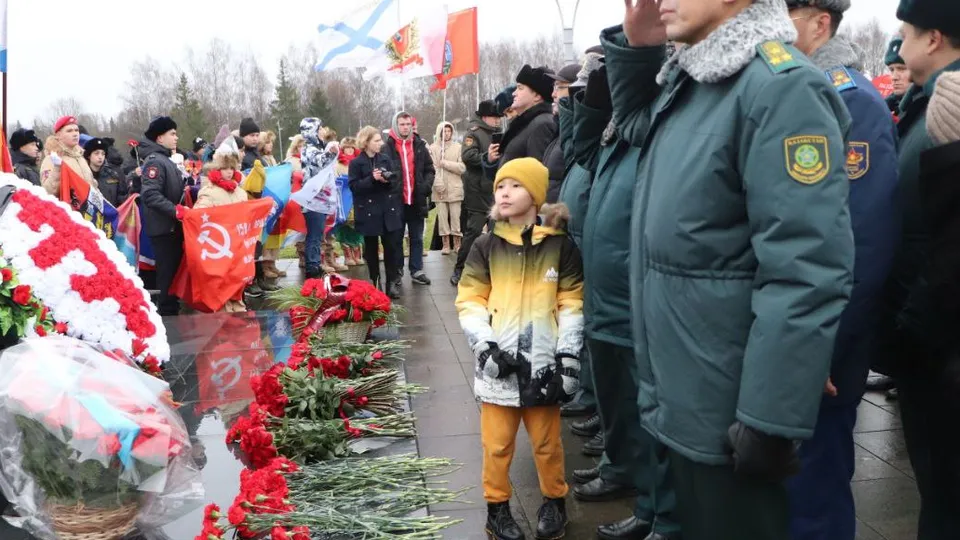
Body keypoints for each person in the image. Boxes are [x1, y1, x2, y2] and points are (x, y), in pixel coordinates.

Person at [616, 1, 855, 539]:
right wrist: (639, 50)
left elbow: (806, 266)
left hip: (729, 411)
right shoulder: (696, 82)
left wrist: (769, 420)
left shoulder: (780, 88)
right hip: (686, 392)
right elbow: (630, 126)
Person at [784, 2, 901, 539]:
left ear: (819, 22)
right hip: (792, 338)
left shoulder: (850, 99)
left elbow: (862, 241)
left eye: (785, 11)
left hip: (824, 345)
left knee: (815, 491)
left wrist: (820, 349)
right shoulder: (791, 90)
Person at [569, 56, 679, 540]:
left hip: (635, 296)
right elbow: (584, 153)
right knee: (617, 401)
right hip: (607, 292)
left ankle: (659, 511)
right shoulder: (618, 130)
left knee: (648, 415)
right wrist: (589, 104)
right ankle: (626, 475)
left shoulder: (657, 121)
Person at [456, 157, 583, 540]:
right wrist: (485, 348)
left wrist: (568, 359)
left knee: (547, 444)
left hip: (544, 366)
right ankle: (497, 510)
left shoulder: (560, 247)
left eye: (515, 185)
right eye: (500, 186)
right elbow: (470, 300)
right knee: (496, 446)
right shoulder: (485, 246)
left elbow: (572, 305)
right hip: (499, 366)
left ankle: (554, 501)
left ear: (537, 194)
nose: (504, 193)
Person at [874, 2, 960, 536]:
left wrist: (914, 329)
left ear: (933, 38)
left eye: (906, 33)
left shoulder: (953, 105)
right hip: (925, 342)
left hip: (940, 347)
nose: (900, 45)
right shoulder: (929, 100)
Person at [558, 48, 604, 421]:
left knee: (595, 325)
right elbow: (573, 148)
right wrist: (570, 108)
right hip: (577, 233)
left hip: (592, 237)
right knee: (583, 320)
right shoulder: (587, 133)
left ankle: (596, 401)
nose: (572, 94)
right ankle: (589, 395)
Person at [193, 137, 250, 312]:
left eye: (232, 168)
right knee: (223, 283)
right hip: (220, 246)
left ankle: (238, 308)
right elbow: (198, 215)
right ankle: (224, 312)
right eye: (225, 168)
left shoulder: (240, 192)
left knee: (237, 281)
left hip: (237, 245)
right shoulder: (209, 192)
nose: (229, 172)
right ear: (217, 169)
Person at [451, 100, 502, 286]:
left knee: (497, 232)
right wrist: (486, 157)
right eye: (494, 117)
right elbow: (467, 156)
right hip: (478, 191)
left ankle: (492, 270)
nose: (497, 120)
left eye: (499, 117)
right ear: (485, 117)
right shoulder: (473, 133)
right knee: (473, 232)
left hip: (495, 190)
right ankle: (459, 268)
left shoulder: (498, 133)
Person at [381, 111, 435, 287]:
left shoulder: (419, 145)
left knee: (417, 237)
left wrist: (426, 186)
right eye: (402, 124)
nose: (405, 127)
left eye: (408, 124)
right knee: (396, 239)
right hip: (396, 201)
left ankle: (416, 269)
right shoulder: (387, 147)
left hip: (416, 200)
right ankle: (397, 271)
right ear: (396, 126)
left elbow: (429, 169)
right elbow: (381, 170)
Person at [349, 126, 403, 299]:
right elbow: (354, 187)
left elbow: (395, 182)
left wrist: (387, 181)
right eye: (377, 140)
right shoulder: (356, 163)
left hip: (387, 210)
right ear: (366, 142)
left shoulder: (385, 159)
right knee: (371, 251)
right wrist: (372, 179)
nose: (381, 143)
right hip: (368, 212)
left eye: (380, 140)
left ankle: (391, 283)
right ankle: (375, 281)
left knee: (391, 248)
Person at [139, 116, 185, 317]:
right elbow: (150, 194)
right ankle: (168, 317)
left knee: (173, 275)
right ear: (159, 138)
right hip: (164, 229)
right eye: (172, 134)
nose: (176, 137)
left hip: (171, 227)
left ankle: (171, 310)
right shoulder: (155, 162)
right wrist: (175, 210)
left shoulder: (165, 159)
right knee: (167, 277)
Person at [484, 66, 557, 176]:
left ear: (537, 96)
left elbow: (537, 175)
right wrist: (492, 161)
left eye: (520, 88)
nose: (514, 93)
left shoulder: (542, 124)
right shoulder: (525, 123)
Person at [543, 63, 579, 204]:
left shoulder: (580, 133)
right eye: (554, 87)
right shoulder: (560, 130)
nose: (553, 94)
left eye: (559, 87)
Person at [428, 121, 466, 255]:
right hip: (440, 190)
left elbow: (462, 167)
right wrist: (438, 184)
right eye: (444, 131)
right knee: (443, 219)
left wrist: (446, 164)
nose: (447, 134)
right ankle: (445, 244)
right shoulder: (433, 148)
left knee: (456, 218)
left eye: (449, 131)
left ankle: (457, 243)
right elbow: (433, 168)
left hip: (455, 188)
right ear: (439, 132)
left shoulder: (458, 147)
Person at [40, 116, 96, 196]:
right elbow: (48, 191)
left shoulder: (81, 157)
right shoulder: (51, 159)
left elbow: (92, 186)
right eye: (69, 131)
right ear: (58, 135)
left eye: (76, 130)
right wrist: (57, 168)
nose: (75, 134)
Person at [335, 137, 365, 267]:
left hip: (357, 197)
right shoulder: (338, 164)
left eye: (351, 147)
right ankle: (348, 255)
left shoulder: (359, 162)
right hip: (344, 199)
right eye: (346, 147)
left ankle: (357, 253)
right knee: (345, 226)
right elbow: (335, 181)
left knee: (358, 226)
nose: (349, 150)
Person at [82, 138, 129, 208]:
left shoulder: (112, 175)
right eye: (96, 153)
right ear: (89, 156)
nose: (100, 157)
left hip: (111, 212)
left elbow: (121, 197)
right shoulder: (82, 175)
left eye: (103, 154)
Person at [885, 36, 912, 116]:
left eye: (901, 69)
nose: (894, 77)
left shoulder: (931, 108)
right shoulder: (885, 107)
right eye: (891, 70)